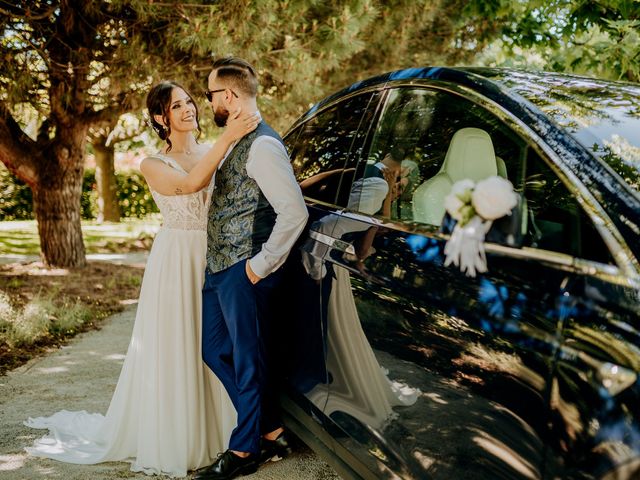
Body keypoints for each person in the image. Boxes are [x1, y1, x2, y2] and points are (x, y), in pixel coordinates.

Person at [23, 80, 260, 478]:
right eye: (177, 105)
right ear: (159, 118)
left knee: (219, 345)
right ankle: (180, 436)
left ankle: (232, 431)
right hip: (176, 259)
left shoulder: (214, 151)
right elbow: (188, 185)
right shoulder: (154, 163)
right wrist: (230, 137)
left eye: (189, 101)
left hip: (217, 252)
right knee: (179, 344)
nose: (189, 109)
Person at [196, 57, 308, 480]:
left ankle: (244, 452)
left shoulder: (262, 144)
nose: (209, 103)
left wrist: (259, 267)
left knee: (247, 360)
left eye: (210, 96)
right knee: (215, 351)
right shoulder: (235, 140)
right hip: (219, 269)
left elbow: (292, 212)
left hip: (245, 269)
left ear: (228, 96)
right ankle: (272, 428)